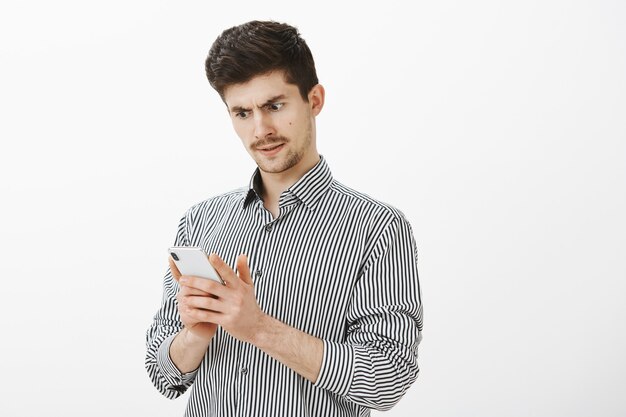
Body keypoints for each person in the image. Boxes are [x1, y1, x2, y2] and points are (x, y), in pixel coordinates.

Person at [145, 20, 423, 417]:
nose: (261, 130)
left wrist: (256, 327)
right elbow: (161, 373)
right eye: (242, 112)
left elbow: (389, 379)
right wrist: (195, 335)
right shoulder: (200, 221)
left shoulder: (377, 228)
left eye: (274, 106)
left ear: (315, 100)